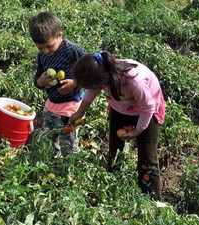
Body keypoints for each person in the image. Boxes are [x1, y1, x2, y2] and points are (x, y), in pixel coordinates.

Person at [69, 50, 165, 200]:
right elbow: (91, 91)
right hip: (120, 108)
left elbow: (148, 107)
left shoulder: (134, 82)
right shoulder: (102, 73)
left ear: (103, 80)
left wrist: (138, 130)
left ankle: (151, 199)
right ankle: (114, 187)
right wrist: (79, 113)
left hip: (147, 112)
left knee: (147, 158)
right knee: (115, 151)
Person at [29, 11, 86, 158]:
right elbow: (37, 79)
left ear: (59, 35)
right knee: (50, 136)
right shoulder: (42, 55)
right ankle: (54, 161)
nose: (45, 51)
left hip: (70, 106)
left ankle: (70, 167)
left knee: (68, 139)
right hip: (52, 104)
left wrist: (75, 82)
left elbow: (90, 70)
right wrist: (40, 82)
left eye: (49, 46)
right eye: (40, 48)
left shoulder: (72, 51)